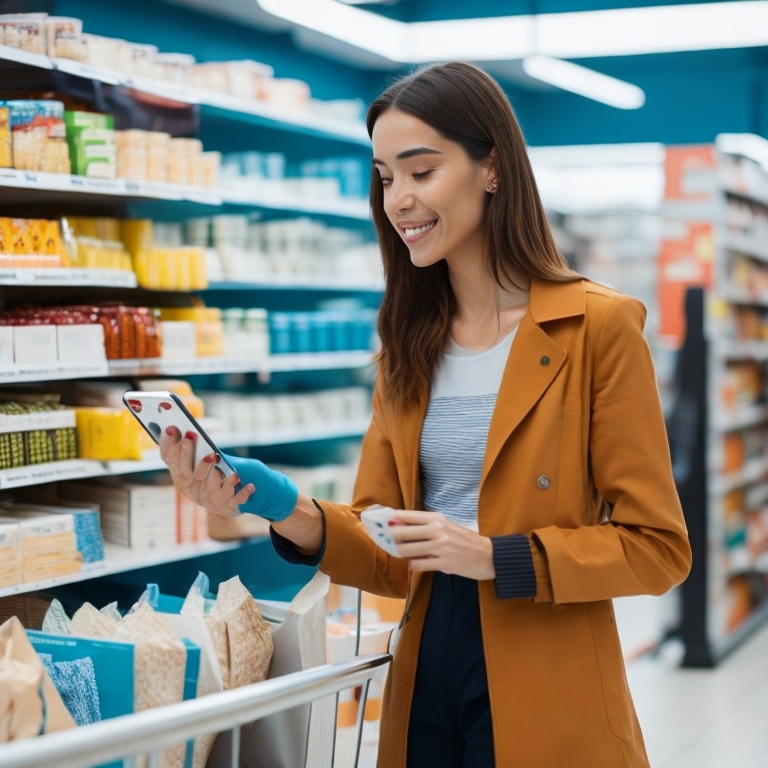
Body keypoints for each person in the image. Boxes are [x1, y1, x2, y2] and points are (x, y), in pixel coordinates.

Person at [159, 61, 692, 768]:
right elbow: (389, 554)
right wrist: (280, 504)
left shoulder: (598, 327)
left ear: (492, 168)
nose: (399, 200)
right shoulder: (410, 342)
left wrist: (493, 555)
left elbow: (659, 548)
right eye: (384, 178)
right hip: (426, 669)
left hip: (547, 671)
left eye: (420, 170)